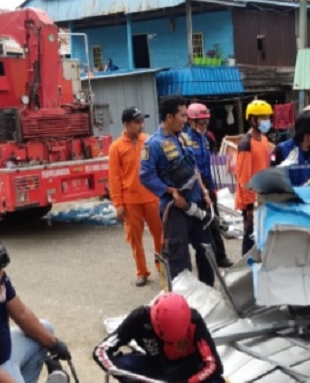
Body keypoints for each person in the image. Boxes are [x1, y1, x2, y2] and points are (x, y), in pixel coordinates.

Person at [0, 234, 71, 383]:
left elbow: (21, 313)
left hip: (6, 350)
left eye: (0, 270)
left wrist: (54, 344)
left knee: (46, 330)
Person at [140, 95, 216, 286]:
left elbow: (194, 168)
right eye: (182, 115)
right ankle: (184, 299)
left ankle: (207, 291)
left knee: (207, 249)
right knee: (179, 256)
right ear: (169, 117)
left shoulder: (184, 138)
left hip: (196, 202)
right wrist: (169, 191)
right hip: (175, 209)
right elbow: (145, 175)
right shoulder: (153, 144)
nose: (185, 119)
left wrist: (204, 192)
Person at [92, 292, 224, 382]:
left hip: (188, 371)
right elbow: (100, 351)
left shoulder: (194, 320)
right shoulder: (139, 319)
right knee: (122, 363)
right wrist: (130, 379)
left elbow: (215, 366)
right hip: (155, 368)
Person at [109, 106, 164, 286]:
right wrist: (118, 204)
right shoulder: (116, 148)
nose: (141, 125)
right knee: (135, 239)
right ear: (127, 124)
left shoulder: (149, 141)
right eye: (137, 122)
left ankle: (161, 266)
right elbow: (114, 178)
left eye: (142, 121)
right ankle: (142, 272)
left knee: (160, 234)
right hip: (131, 201)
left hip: (152, 197)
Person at [186, 103, 233, 268]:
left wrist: (211, 189)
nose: (205, 126)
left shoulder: (206, 139)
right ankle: (209, 260)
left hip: (208, 184)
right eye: (201, 123)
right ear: (191, 122)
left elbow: (207, 168)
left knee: (215, 221)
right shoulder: (187, 141)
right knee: (203, 225)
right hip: (196, 188)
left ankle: (221, 257)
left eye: (207, 122)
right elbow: (193, 170)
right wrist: (202, 192)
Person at [235, 99, 273, 254]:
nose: (267, 121)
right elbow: (244, 178)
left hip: (262, 196)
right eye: (262, 118)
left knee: (261, 235)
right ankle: (245, 270)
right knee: (250, 236)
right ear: (252, 120)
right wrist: (249, 206)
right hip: (250, 200)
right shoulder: (246, 144)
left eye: (268, 117)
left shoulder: (263, 139)